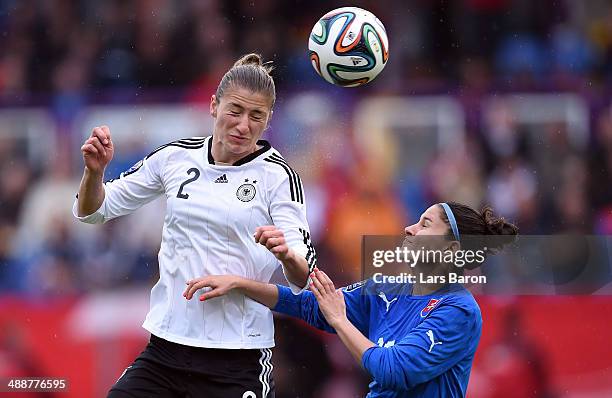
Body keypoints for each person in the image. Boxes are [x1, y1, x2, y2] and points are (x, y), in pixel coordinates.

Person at [74, 53, 317, 398]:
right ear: (214, 106)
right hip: (165, 351)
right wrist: (94, 173)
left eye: (256, 116)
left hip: (237, 358)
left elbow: (303, 274)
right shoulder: (174, 158)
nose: (243, 125)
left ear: (268, 120)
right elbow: (94, 211)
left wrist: (286, 255)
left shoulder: (278, 177)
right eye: (235, 110)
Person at [184, 202, 518, 397]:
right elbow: (314, 302)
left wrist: (340, 320)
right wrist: (249, 279)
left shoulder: (459, 311)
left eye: (425, 224)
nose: (409, 229)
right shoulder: (388, 288)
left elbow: (393, 369)